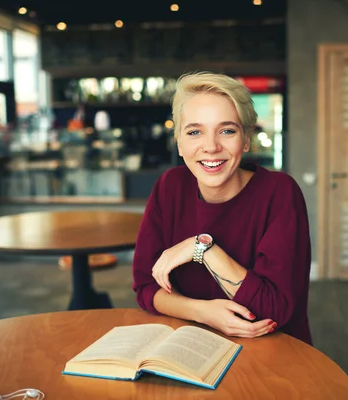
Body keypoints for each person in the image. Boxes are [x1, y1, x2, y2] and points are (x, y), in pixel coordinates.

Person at [132, 72, 313, 344]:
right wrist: (205, 312)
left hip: (273, 355)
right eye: (194, 132)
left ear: (246, 139)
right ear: (179, 143)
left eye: (227, 130)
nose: (211, 147)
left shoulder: (280, 193)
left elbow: (273, 309)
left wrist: (202, 249)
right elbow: (146, 287)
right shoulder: (170, 187)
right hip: (191, 345)